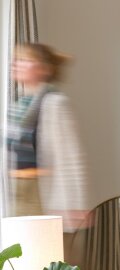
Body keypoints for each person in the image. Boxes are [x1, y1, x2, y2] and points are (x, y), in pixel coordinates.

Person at [5, 43, 88, 236]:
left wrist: (75, 204)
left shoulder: (55, 103)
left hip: (41, 191)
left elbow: (70, 157)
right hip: (18, 190)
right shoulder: (18, 106)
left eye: (25, 60)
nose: (16, 64)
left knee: (45, 258)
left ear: (43, 69)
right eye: (17, 59)